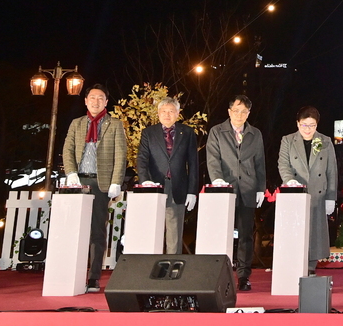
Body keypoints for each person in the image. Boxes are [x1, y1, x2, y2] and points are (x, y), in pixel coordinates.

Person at [61, 84, 127, 293]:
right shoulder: (77, 123)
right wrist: (71, 173)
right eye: (92, 98)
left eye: (100, 98)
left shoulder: (114, 124)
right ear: (86, 101)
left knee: (97, 230)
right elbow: (67, 149)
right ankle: (72, 273)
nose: (96, 101)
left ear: (106, 102)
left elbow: (121, 155)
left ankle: (94, 277)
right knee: (74, 228)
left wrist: (116, 180)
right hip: (77, 182)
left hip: (101, 183)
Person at [206, 94, 266, 291]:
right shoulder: (217, 131)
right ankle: (219, 276)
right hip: (224, 190)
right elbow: (213, 159)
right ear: (229, 111)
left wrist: (260, 188)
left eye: (244, 111)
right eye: (236, 110)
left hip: (248, 189)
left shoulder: (255, 134)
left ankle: (243, 275)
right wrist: (217, 180)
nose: (240, 115)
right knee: (222, 233)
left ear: (248, 113)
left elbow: (260, 163)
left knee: (246, 235)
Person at [135, 96, 200, 254]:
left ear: (178, 113)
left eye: (171, 111)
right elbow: (142, 159)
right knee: (152, 229)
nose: (167, 114)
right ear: (158, 113)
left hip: (178, 187)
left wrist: (192, 191)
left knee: (174, 232)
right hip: (154, 187)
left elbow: (193, 164)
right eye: (164, 111)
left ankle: (172, 266)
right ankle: (151, 266)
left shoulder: (188, 132)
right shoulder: (148, 133)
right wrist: (145, 182)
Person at [278, 106, 337, 274]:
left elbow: (332, 170)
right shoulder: (288, 140)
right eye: (304, 125)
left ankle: (311, 267)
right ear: (298, 124)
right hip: (295, 194)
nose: (308, 129)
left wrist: (331, 197)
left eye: (312, 125)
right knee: (295, 231)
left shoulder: (325, 141)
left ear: (317, 125)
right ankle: (294, 266)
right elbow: (283, 164)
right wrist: (289, 181)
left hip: (318, 194)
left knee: (315, 233)